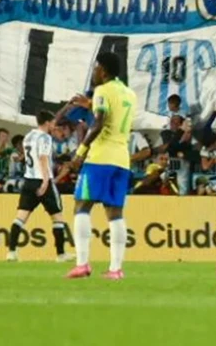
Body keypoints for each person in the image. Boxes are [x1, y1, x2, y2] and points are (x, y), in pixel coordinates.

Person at [67, 52, 136, 280]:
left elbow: (99, 123)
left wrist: (80, 152)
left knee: (81, 206)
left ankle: (82, 264)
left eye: (96, 67)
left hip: (100, 158)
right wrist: (90, 104)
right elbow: (115, 116)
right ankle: (116, 269)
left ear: (103, 70)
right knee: (115, 213)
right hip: (121, 159)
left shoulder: (102, 91)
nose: (94, 72)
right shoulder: (129, 93)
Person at [7, 110, 72, 263]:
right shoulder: (45, 138)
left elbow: (28, 156)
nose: (54, 125)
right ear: (47, 122)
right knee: (57, 217)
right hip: (43, 180)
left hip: (29, 180)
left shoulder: (29, 136)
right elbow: (43, 158)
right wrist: (45, 181)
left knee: (20, 218)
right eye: (53, 122)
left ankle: (11, 252)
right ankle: (61, 254)